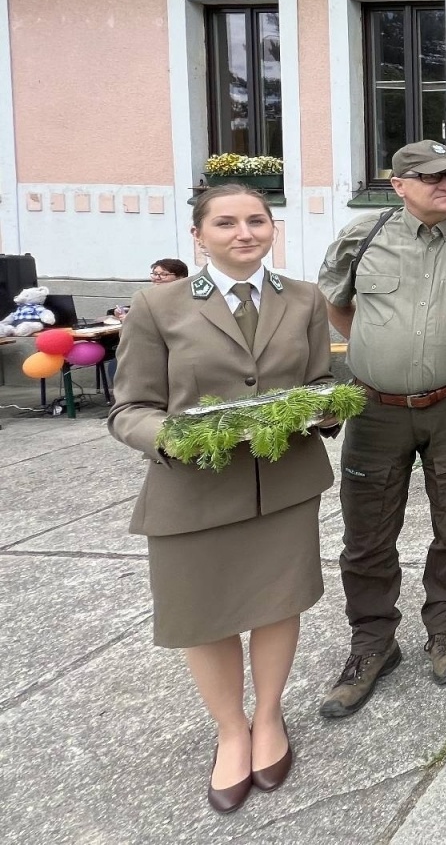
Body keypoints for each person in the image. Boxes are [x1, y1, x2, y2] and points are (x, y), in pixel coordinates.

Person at [108, 185, 335, 813]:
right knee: (201, 614)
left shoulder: (304, 298)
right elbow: (129, 409)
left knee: (275, 603)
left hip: (283, 484)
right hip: (193, 489)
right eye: (227, 223)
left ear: (272, 229)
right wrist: (175, 439)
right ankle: (230, 731)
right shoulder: (159, 305)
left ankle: (268, 717)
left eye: (257, 221)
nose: (245, 233)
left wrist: (321, 410)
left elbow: (316, 381)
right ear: (198, 236)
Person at [316, 141, 446, 717]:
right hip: (375, 408)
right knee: (366, 532)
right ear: (398, 185)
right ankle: (372, 643)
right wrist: (384, 354)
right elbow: (339, 308)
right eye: (431, 176)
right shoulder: (361, 239)